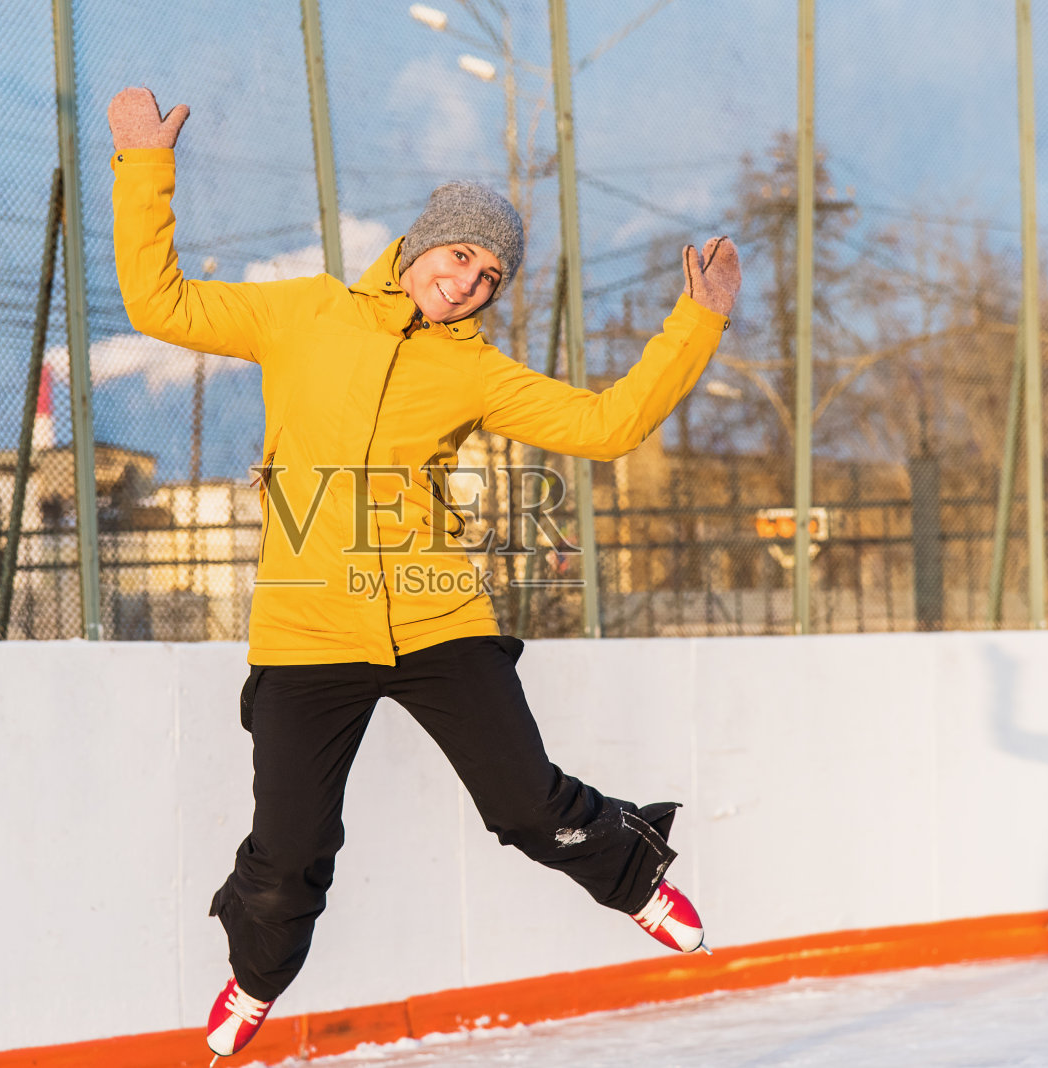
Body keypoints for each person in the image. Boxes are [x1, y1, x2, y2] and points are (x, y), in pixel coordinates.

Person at [106, 87, 740, 1061]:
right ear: (418, 245)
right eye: (459, 257)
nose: (469, 282)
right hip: (309, 627)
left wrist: (692, 325)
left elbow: (603, 424)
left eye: (489, 275)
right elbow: (160, 302)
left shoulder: (474, 370)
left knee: (527, 806)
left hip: (440, 620)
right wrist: (145, 170)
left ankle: (634, 880)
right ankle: (254, 979)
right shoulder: (305, 312)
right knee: (288, 855)